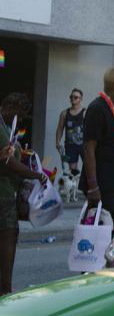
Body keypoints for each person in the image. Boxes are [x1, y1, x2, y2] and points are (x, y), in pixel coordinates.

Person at [0, 93, 48, 295]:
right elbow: (8, 162)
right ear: (9, 107)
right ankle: (5, 290)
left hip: (8, 191)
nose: (19, 119)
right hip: (3, 194)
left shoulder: (6, 126)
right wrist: (36, 175)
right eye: (18, 114)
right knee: (8, 237)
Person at [79, 67, 114, 233]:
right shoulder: (97, 108)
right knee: (99, 234)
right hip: (102, 186)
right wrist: (93, 186)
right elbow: (88, 149)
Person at [55, 88, 85, 174]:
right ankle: (74, 183)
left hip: (83, 145)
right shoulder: (64, 113)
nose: (73, 99)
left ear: (81, 99)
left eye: (76, 97)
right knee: (72, 172)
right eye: (71, 97)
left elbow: (91, 129)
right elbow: (60, 128)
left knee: (88, 168)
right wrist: (57, 143)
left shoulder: (85, 113)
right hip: (70, 146)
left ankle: (85, 183)